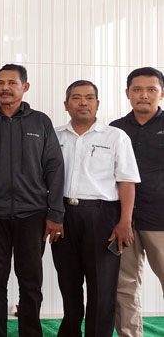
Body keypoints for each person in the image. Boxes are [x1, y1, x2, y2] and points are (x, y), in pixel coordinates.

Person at [0, 63, 64, 337]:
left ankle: (30, 333)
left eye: (11, 82)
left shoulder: (40, 122)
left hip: (32, 215)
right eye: (0, 82)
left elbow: (55, 168)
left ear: (25, 87)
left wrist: (56, 213)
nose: (5, 88)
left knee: (30, 281)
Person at [53, 80, 139, 337]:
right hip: (63, 216)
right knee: (68, 283)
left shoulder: (115, 137)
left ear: (97, 104)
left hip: (102, 217)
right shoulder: (54, 136)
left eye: (89, 98)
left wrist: (125, 221)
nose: (83, 103)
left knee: (101, 287)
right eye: (76, 98)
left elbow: (126, 181)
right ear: (66, 104)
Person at [111, 67, 164, 337]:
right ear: (128, 93)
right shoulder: (115, 130)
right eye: (137, 89)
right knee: (125, 285)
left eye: (151, 89)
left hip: (161, 220)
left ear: (161, 93)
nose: (144, 95)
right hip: (124, 221)